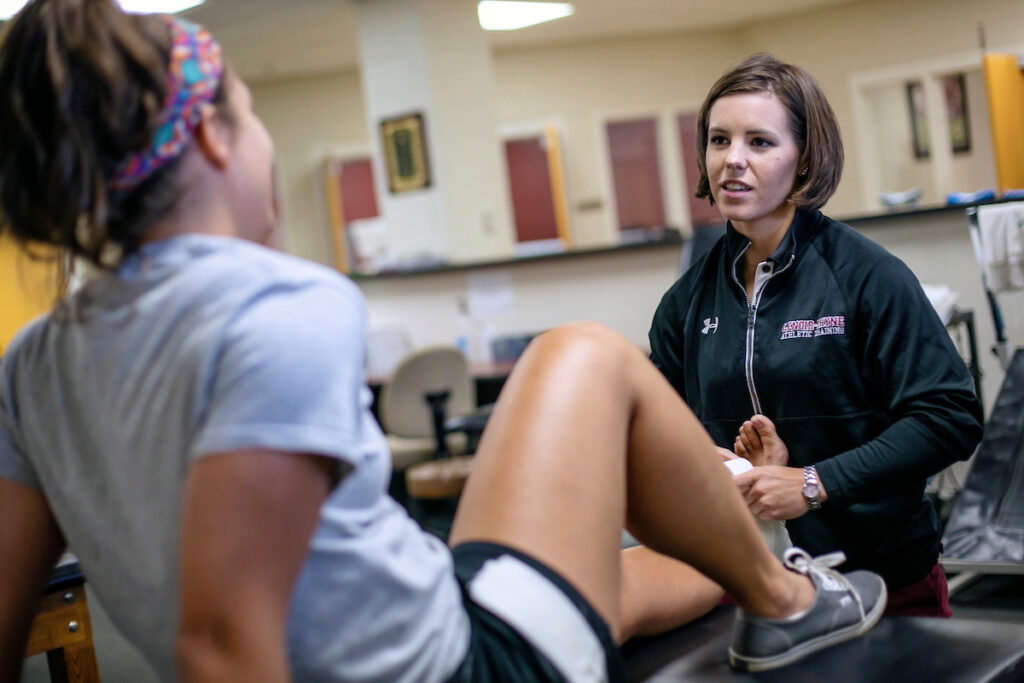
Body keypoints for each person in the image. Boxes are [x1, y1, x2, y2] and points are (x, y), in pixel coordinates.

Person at [0, 4, 886, 681]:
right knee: (578, 352)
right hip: (462, 661)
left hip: (438, 598)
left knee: (602, 585)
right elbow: (222, 641)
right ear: (208, 135)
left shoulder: (32, 360)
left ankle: (773, 566)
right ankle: (784, 602)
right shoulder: (277, 305)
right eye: (253, 111)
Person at [649, 52, 984, 618]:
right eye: (718, 140)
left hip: (879, 579)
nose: (732, 160)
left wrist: (811, 481)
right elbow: (665, 433)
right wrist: (716, 465)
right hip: (751, 583)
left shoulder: (869, 277)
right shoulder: (685, 303)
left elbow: (949, 419)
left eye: (759, 142)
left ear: (805, 159)